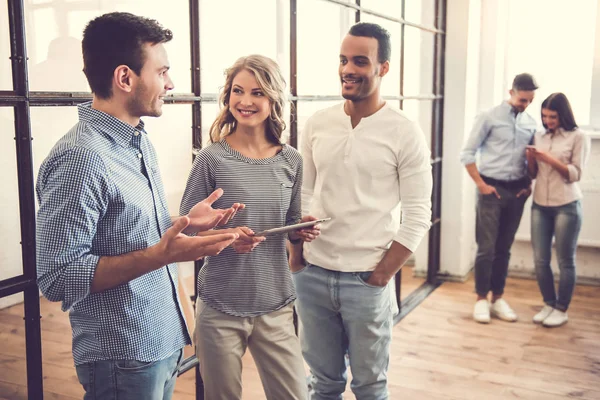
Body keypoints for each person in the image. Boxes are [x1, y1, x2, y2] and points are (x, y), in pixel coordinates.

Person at [35, 12, 241, 400]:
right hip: (121, 355)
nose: (170, 83)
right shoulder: (80, 158)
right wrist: (163, 254)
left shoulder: (137, 140)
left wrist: (184, 223)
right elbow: (58, 276)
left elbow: (130, 234)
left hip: (158, 340)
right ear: (125, 78)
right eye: (162, 71)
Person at [289, 22, 432, 399]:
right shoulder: (319, 123)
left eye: (359, 61)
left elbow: (418, 213)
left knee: (370, 387)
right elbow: (303, 194)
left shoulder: (404, 131)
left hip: (367, 280)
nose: (347, 69)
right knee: (323, 384)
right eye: (342, 60)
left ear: (383, 67)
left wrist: (381, 275)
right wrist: (296, 259)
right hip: (313, 276)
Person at [179, 55, 312, 400]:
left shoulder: (291, 160)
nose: (246, 101)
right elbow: (186, 232)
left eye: (257, 92)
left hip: (276, 305)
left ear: (273, 99)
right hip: (220, 306)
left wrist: (302, 230)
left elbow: (289, 227)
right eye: (238, 91)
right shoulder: (210, 158)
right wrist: (226, 238)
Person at [460, 73, 539, 324]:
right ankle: (481, 299)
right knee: (487, 248)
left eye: (529, 101)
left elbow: (530, 159)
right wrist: (481, 185)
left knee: (504, 248)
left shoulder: (530, 123)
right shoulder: (488, 117)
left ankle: (498, 298)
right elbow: (467, 154)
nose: (525, 104)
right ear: (511, 92)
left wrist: (528, 184)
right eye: (522, 99)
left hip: (517, 192)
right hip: (491, 190)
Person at [526, 93, 590, 327]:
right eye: (544, 116)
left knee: (565, 260)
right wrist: (531, 159)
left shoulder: (578, 136)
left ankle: (562, 308)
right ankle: (549, 303)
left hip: (567, 205)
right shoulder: (538, 136)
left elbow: (575, 174)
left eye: (552, 116)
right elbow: (533, 174)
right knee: (540, 259)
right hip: (540, 204)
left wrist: (548, 158)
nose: (548, 120)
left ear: (563, 114)